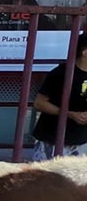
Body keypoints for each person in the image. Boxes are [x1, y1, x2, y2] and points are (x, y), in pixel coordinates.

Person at [31, 32, 87, 160]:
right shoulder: (61, 73)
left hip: (82, 141)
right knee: (47, 178)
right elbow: (39, 103)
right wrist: (70, 114)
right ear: (85, 51)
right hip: (53, 138)